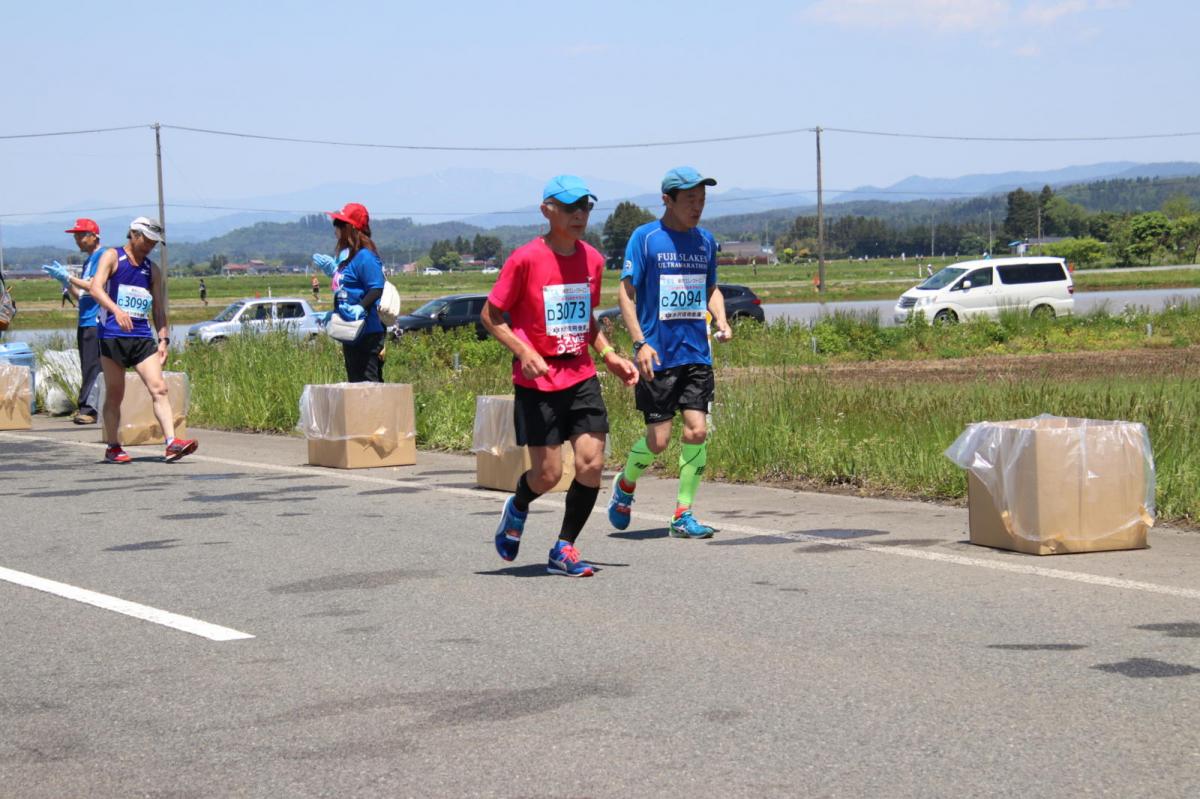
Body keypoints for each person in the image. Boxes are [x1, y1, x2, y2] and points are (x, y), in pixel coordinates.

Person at [483, 175, 638, 577]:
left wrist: (609, 355)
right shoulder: (525, 259)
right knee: (548, 475)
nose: (579, 215)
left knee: (591, 464)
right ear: (546, 210)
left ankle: (564, 547)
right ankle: (518, 505)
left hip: (581, 375)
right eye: (570, 208)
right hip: (538, 382)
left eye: (585, 207)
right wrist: (523, 350)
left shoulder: (592, 260)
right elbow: (491, 315)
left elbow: (584, 317)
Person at [608, 167, 731, 539]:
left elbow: (711, 290)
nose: (698, 207)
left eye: (702, 200)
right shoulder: (645, 239)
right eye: (690, 199)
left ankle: (682, 514)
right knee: (658, 442)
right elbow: (625, 293)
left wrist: (721, 320)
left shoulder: (705, 242)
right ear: (667, 200)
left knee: (697, 431)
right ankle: (626, 483)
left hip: (696, 353)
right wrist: (639, 342)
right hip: (657, 357)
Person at [89, 217, 197, 463]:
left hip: (141, 337)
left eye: (154, 242)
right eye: (147, 240)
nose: (150, 245)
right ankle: (113, 446)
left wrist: (163, 340)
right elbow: (95, 288)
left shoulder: (152, 269)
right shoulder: (112, 256)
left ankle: (171, 443)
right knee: (116, 393)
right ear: (134, 234)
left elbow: (158, 309)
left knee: (159, 388)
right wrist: (117, 310)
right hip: (112, 335)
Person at [41, 218, 106, 424]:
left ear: (94, 236)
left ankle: (89, 409)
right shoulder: (88, 261)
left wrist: (69, 277)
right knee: (89, 364)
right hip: (85, 319)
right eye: (75, 237)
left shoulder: (102, 256)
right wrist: (66, 283)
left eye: (80, 235)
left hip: (96, 320)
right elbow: (82, 294)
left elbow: (94, 286)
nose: (77, 240)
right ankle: (96, 406)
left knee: (93, 366)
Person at [318, 203, 386, 382]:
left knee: (369, 386)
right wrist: (334, 314)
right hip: (351, 333)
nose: (336, 230)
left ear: (351, 228)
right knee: (355, 385)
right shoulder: (350, 258)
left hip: (367, 333)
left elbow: (377, 287)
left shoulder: (366, 256)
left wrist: (360, 308)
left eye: (340, 225)